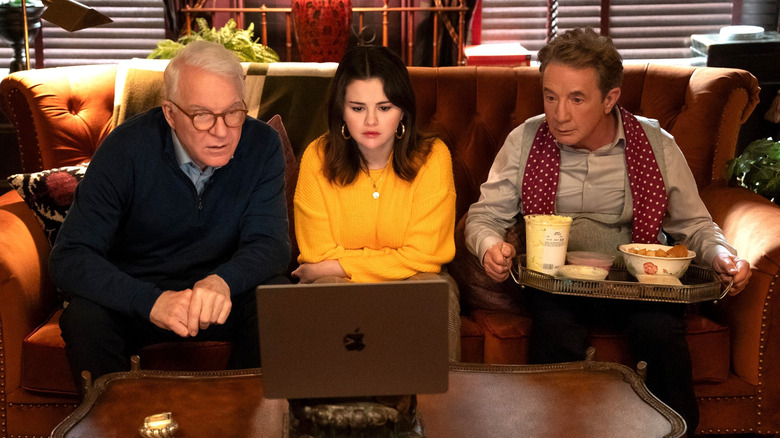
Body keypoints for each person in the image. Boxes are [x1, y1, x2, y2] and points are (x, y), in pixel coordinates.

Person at [464, 28, 751, 433]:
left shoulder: (656, 144)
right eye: (550, 96)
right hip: (557, 282)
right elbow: (484, 216)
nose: (559, 114)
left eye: (577, 99)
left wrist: (723, 254)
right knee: (556, 331)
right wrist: (490, 245)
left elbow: (695, 225)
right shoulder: (526, 140)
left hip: (639, 281)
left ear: (610, 99)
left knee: (660, 333)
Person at [50, 40, 291, 387]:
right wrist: (151, 301)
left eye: (233, 112)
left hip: (220, 297)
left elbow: (271, 244)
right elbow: (70, 257)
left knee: (277, 296)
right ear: (170, 113)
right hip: (139, 300)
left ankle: (244, 418)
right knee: (84, 318)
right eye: (202, 115)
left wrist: (221, 282)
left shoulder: (262, 145)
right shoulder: (124, 149)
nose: (221, 131)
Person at [292, 44, 460, 362]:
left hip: (416, 281)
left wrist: (340, 265)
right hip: (337, 283)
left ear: (403, 112)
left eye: (384, 108)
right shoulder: (317, 156)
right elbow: (316, 255)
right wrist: (337, 268)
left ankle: (438, 410)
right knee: (327, 287)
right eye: (357, 108)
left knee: (432, 290)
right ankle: (332, 410)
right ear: (340, 109)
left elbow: (427, 257)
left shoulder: (434, 156)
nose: (371, 120)